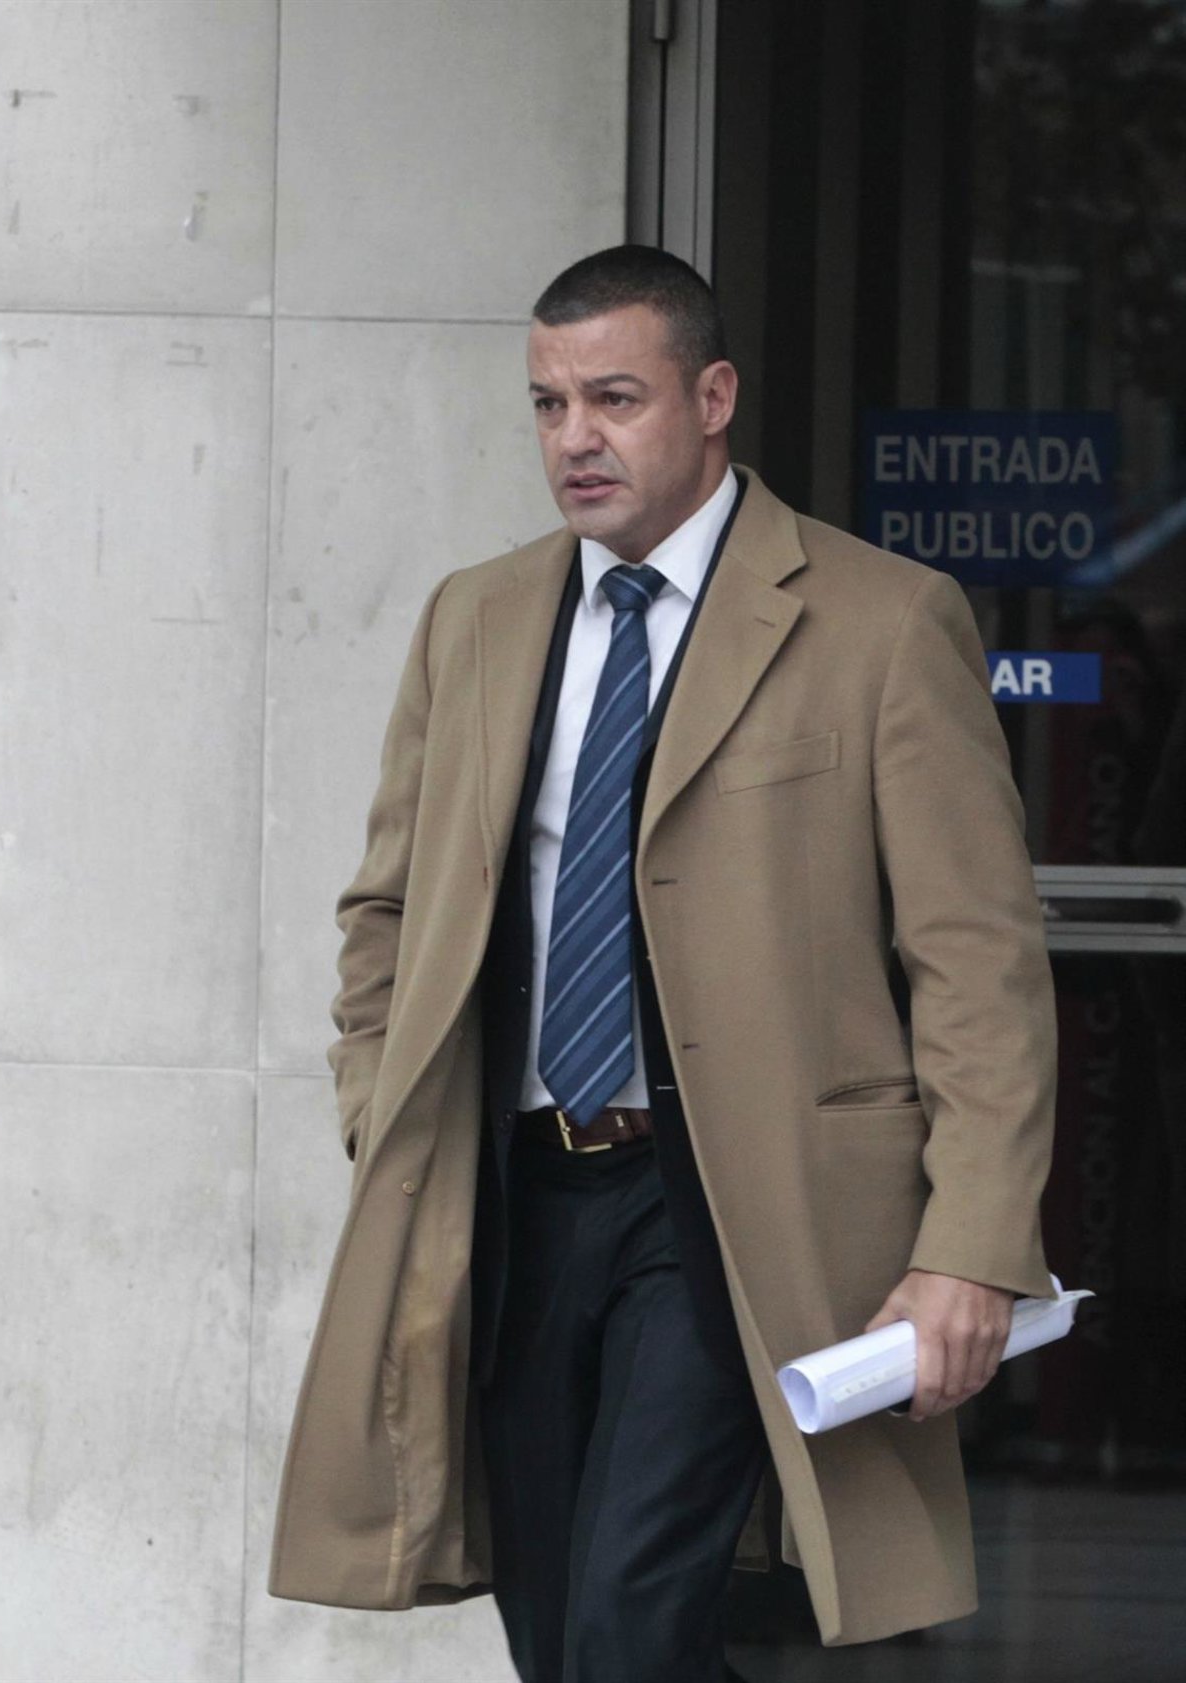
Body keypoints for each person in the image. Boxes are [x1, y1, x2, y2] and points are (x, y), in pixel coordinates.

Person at [268, 246, 1057, 1680]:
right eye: (549, 404)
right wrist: (380, 1112)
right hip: (511, 1198)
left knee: (627, 1623)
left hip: (728, 1207)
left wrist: (972, 1246)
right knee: (559, 1631)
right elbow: (385, 906)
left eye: (614, 399)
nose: (576, 437)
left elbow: (979, 967)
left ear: (712, 397)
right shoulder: (475, 617)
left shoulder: (882, 619)